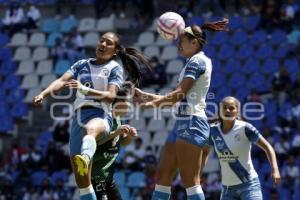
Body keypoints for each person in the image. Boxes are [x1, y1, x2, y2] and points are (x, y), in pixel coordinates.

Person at [33, 32, 151, 200]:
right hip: (78, 119)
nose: (102, 44)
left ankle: (86, 157)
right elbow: (61, 81)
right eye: (101, 40)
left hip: (101, 114)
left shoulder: (114, 68)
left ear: (116, 51)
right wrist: (43, 94)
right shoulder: (81, 64)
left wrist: (85, 89)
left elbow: (110, 96)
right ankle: (84, 158)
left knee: (91, 129)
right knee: (84, 187)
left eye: (108, 43)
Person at [134, 18, 229, 200]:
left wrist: (150, 104)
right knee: (162, 176)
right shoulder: (192, 62)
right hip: (182, 123)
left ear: (194, 42)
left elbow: (178, 95)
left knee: (190, 182)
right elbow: (179, 97)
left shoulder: (197, 62)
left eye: (181, 42)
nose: (178, 46)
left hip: (192, 123)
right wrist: (145, 95)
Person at [206, 96, 281, 200]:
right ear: (220, 110)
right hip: (227, 189)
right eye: (225, 108)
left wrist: (275, 169)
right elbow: (204, 153)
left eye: (231, 108)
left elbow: (268, 147)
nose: (228, 110)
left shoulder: (245, 128)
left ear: (237, 112)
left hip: (249, 186)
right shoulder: (213, 131)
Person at [91, 82, 138, 200]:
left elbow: (122, 142)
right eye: (128, 101)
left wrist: (130, 137)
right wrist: (117, 132)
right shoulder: (103, 119)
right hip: (95, 177)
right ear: (119, 102)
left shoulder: (118, 119)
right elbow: (96, 142)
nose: (130, 104)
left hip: (108, 178)